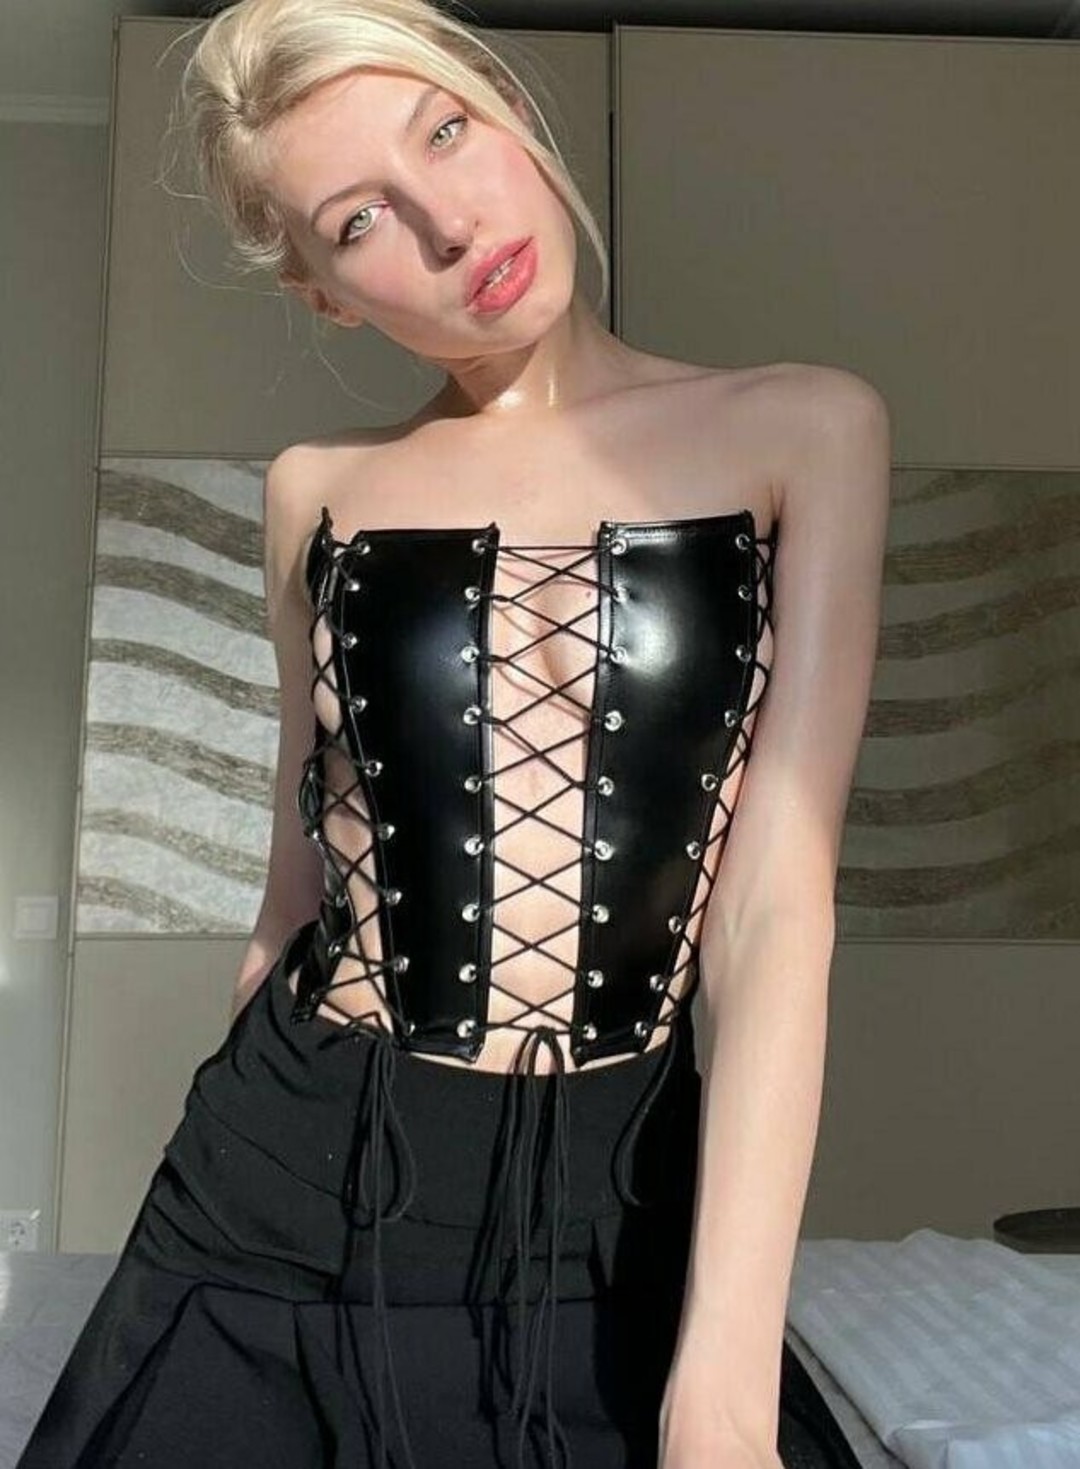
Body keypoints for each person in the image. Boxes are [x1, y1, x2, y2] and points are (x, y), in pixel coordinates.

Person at [17, 1, 890, 1466]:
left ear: (507, 107)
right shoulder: (316, 490)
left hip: (620, 1188)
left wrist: (724, 1381)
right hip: (290, 1169)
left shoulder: (807, 430)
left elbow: (775, 911)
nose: (449, 223)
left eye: (446, 131)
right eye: (361, 221)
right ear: (325, 295)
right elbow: (300, 882)